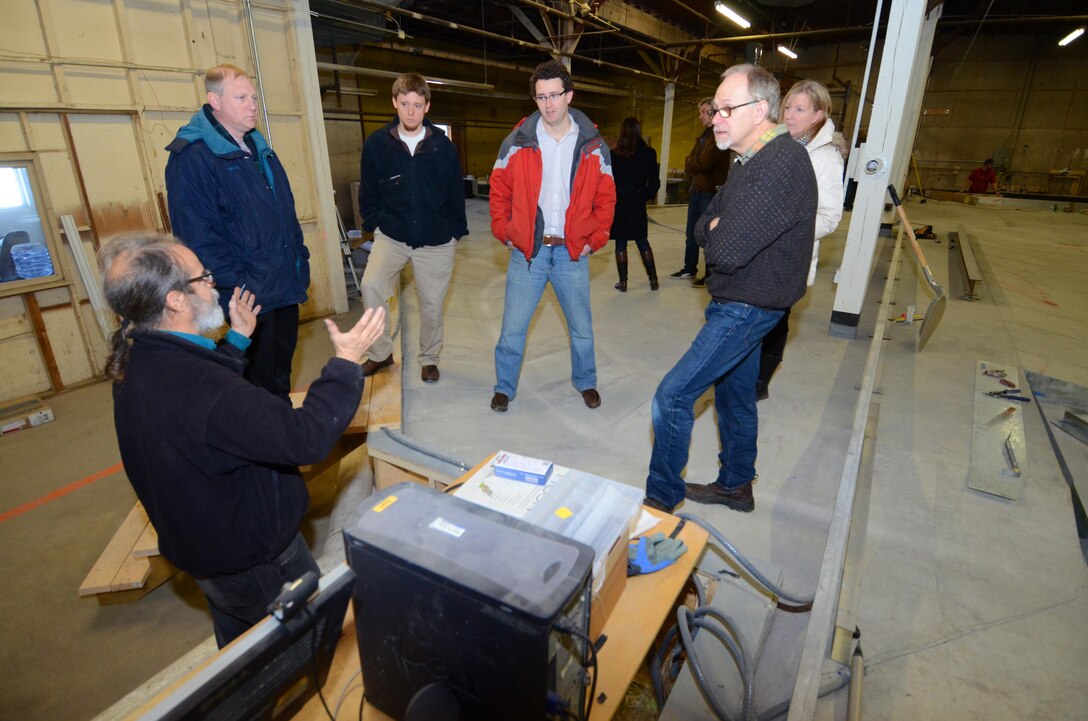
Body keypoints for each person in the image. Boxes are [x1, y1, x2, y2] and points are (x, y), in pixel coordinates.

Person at [99, 232, 386, 648]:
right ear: (175, 300)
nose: (212, 283)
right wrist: (345, 363)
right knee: (312, 652)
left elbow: (207, 417)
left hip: (209, 557)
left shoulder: (138, 361)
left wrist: (236, 341)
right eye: (202, 277)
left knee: (244, 655)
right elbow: (304, 438)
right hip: (258, 563)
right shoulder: (205, 390)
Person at [643, 64, 818, 514]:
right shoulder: (751, 161)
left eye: (725, 108)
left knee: (674, 395)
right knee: (734, 395)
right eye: (715, 109)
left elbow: (727, 250)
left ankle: (660, 502)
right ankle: (736, 485)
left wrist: (716, 230)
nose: (715, 117)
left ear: (760, 110)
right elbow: (706, 224)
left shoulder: (779, 164)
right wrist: (714, 227)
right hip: (745, 298)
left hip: (747, 305)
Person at [165, 64, 309, 403]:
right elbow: (197, 236)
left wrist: (299, 260)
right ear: (215, 101)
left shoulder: (258, 149)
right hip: (248, 295)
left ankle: (281, 440)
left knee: (279, 380)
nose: (252, 105)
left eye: (254, 97)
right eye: (241, 97)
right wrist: (241, 283)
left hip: (283, 284)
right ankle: (267, 448)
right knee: (254, 388)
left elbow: (284, 215)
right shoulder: (194, 157)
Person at [488, 60, 616, 413]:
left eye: (555, 95)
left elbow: (607, 198)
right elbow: (497, 190)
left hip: (571, 253)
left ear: (569, 95)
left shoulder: (593, 143)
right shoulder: (517, 142)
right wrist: (504, 230)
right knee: (513, 328)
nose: (548, 104)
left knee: (581, 329)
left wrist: (596, 237)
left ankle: (586, 382)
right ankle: (504, 387)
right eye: (541, 97)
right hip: (528, 252)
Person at [357, 73, 468, 384]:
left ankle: (429, 358)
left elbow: (454, 193)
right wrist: (375, 223)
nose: (410, 111)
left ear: (426, 106)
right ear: (395, 102)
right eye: (404, 104)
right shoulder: (378, 144)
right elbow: (368, 191)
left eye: (417, 105)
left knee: (431, 304)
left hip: (435, 239)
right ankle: (380, 354)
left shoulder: (442, 147)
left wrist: (453, 231)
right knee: (371, 285)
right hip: (392, 235)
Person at [756, 79, 846, 400]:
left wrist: (785, 229)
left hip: (789, 255)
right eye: (787, 107)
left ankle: (760, 382)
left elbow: (830, 216)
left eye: (799, 109)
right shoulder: (778, 145)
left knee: (775, 321)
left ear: (818, 115)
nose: (789, 115)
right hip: (760, 250)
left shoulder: (826, 158)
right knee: (753, 316)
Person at [670, 98, 731, 286]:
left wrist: (693, 163)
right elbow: (690, 161)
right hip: (696, 189)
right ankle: (689, 268)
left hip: (709, 192)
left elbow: (704, 162)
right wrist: (693, 163)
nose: (700, 116)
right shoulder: (704, 135)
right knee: (691, 233)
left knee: (708, 234)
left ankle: (710, 273)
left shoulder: (717, 135)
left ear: (713, 113)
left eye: (704, 112)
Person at [609, 117, 661, 292]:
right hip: (638, 202)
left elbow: (608, 183)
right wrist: (643, 196)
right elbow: (655, 183)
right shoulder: (649, 153)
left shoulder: (614, 155)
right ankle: (653, 280)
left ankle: (623, 282)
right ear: (638, 131)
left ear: (621, 132)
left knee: (620, 243)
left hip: (620, 203)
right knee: (642, 241)